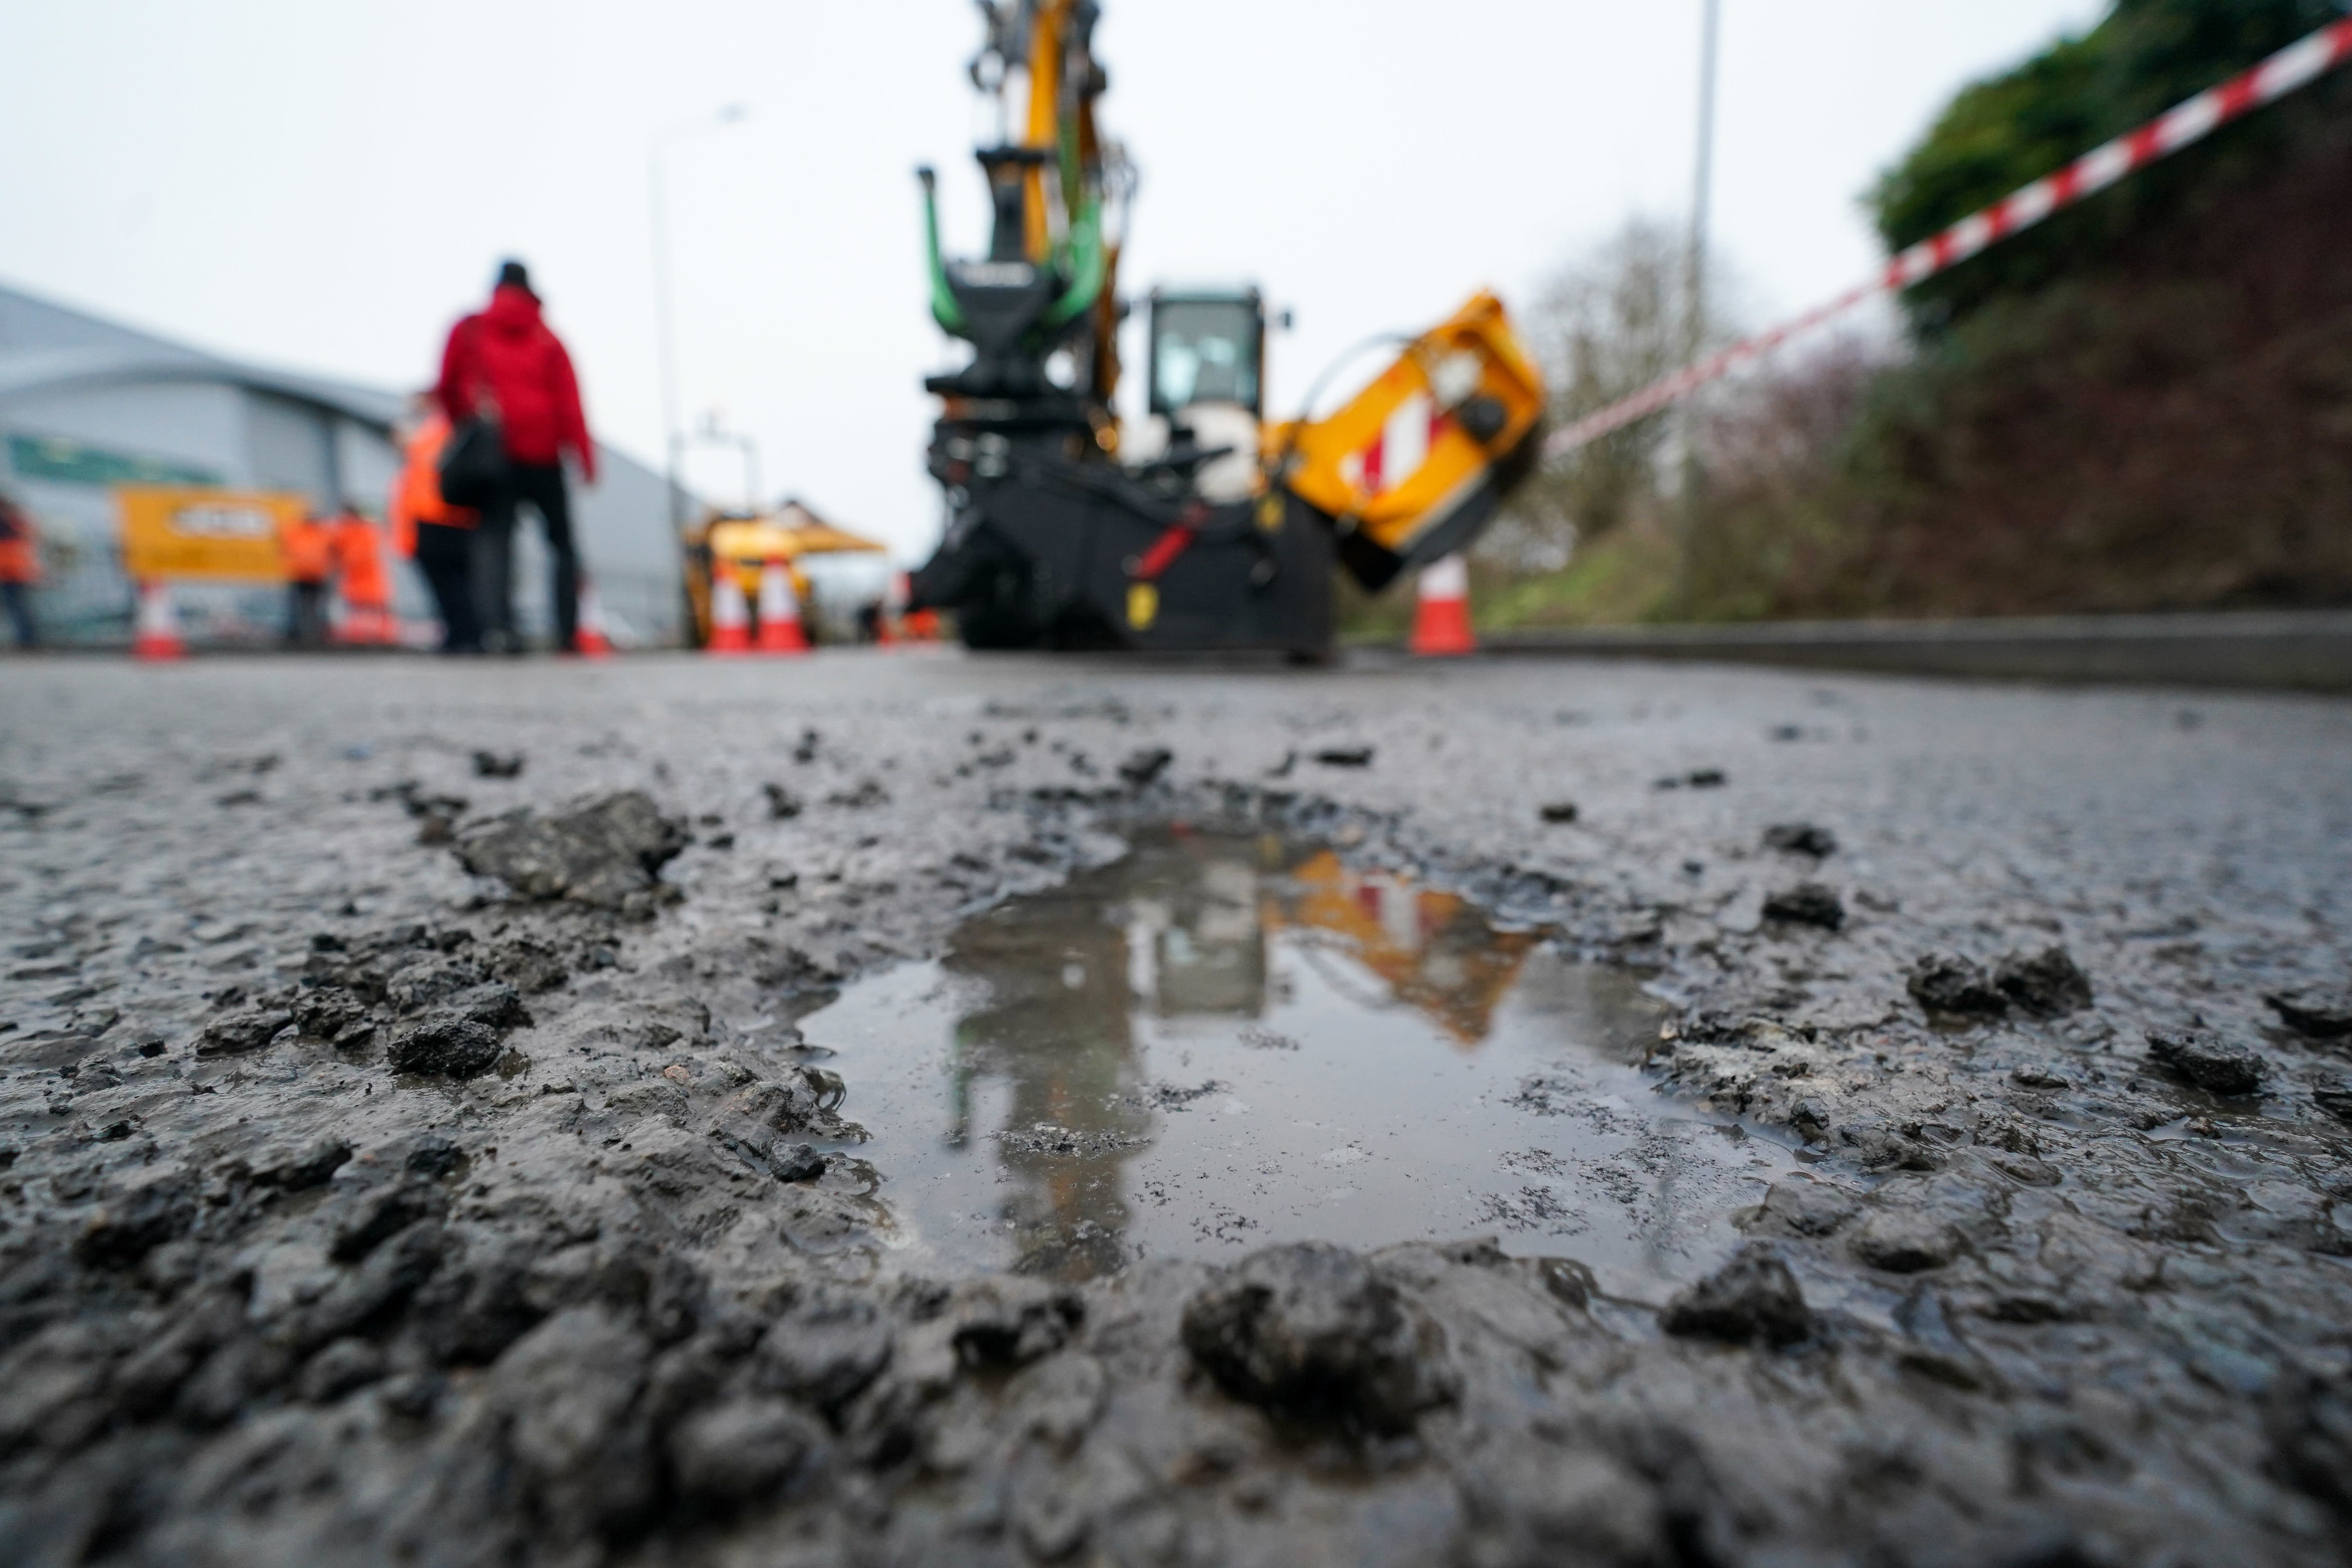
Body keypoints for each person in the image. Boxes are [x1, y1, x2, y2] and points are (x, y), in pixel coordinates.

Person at [435, 260, 596, 653]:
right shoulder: (548, 339)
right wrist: (585, 458)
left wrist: (467, 430)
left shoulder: (470, 329)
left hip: (496, 456)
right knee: (561, 544)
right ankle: (567, 632)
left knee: (495, 544)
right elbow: (570, 402)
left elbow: (447, 386)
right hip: (545, 453)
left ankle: (501, 631)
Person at [388, 394, 480, 652]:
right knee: (446, 585)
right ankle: (457, 635)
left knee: (453, 583)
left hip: (443, 517)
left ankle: (467, 637)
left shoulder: (443, 429)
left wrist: (412, 442)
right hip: (430, 518)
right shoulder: (429, 433)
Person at [327, 501, 395, 644]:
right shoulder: (356, 531)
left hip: (365, 576)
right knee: (361, 607)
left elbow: (359, 554)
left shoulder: (362, 531)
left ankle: (377, 634)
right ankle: (363, 634)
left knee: (371, 607)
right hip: (357, 578)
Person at [281, 509, 333, 649]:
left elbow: (284, 547)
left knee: (307, 606)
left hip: (311, 575)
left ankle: (310, 634)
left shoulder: (298, 532)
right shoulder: (321, 533)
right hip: (307, 574)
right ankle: (307, 633)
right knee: (308, 607)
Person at [0, 489, 38, 649]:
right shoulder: (18, 522)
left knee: (18, 607)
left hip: (10, 572)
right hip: (15, 571)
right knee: (19, 607)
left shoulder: (8, 524)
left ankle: (27, 640)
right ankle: (27, 639)